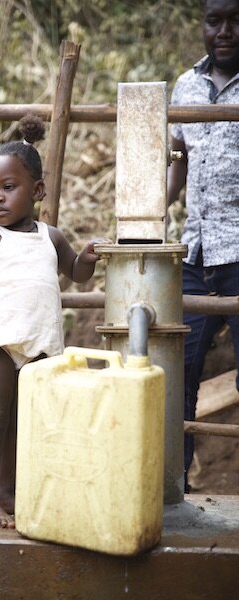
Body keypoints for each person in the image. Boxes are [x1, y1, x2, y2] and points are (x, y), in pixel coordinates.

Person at [0, 114, 103, 527]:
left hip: (38, 346)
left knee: (24, 422)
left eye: (7, 188)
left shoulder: (50, 237)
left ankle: (9, 491)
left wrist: (87, 258)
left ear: (37, 190)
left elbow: (75, 271)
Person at [167, 0, 239, 492]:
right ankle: (176, 487)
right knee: (178, 371)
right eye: (214, 21)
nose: (225, 31)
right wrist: (145, 213)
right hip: (194, 253)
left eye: (236, 20)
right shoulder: (185, 86)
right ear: (202, 25)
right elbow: (178, 163)